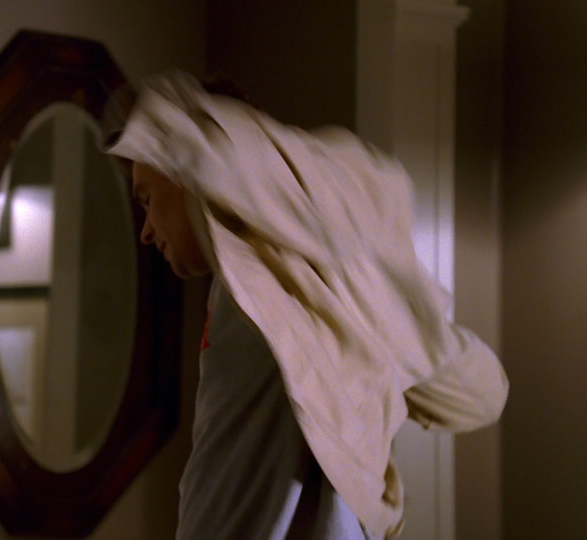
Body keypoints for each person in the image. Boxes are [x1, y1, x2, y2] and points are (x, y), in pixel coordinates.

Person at [104, 72, 509, 539]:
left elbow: (480, 392)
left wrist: (143, 116)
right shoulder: (246, 283)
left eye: (147, 197)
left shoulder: (296, 261)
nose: (145, 230)